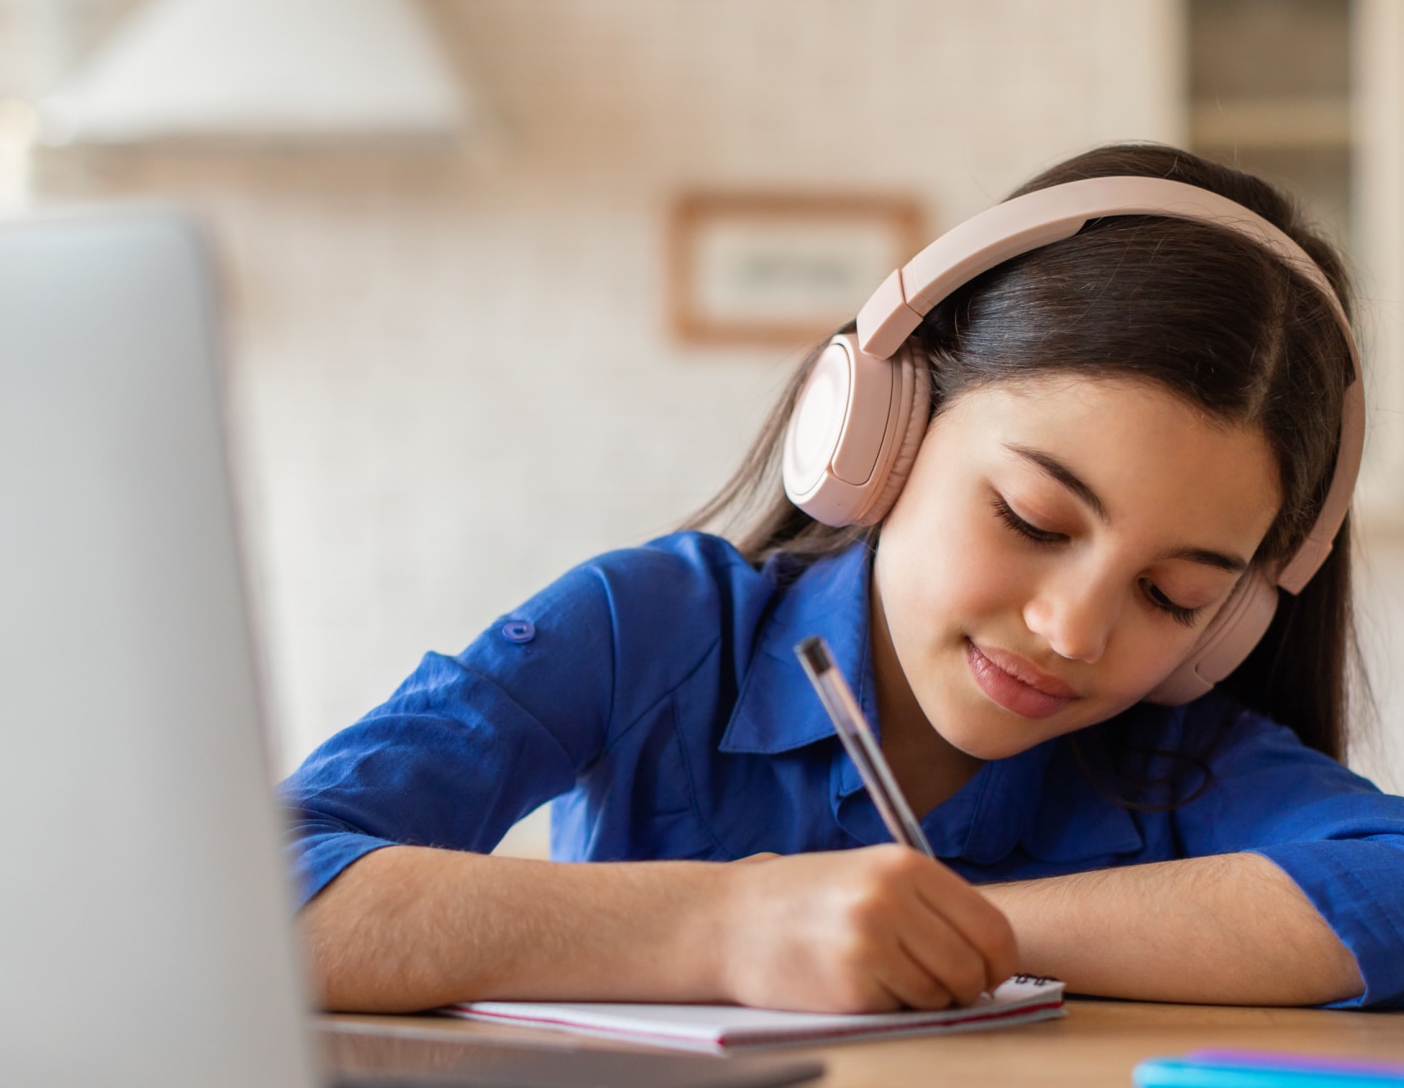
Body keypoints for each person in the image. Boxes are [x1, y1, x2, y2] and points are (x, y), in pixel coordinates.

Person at [287, 143, 1404, 1016]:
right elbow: (260, 893)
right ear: (879, 433)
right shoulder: (651, 628)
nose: (1072, 629)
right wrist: (727, 928)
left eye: (1175, 598)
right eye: (1031, 517)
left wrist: (964, 929)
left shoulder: (1179, 757)